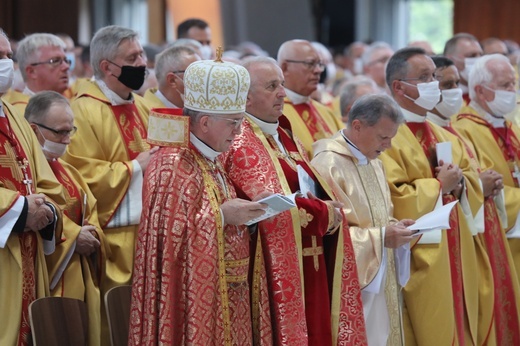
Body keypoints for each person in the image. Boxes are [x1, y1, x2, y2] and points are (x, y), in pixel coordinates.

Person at [223, 56, 367, 345]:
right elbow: (269, 204)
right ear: (246, 98)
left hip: (311, 256)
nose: (283, 94)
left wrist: (329, 207)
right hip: (273, 268)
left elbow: (311, 187)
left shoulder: (285, 136)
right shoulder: (239, 142)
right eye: (272, 86)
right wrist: (325, 214)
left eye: (282, 85)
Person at [129, 53, 268, 345]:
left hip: (232, 292)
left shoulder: (213, 158)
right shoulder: (172, 164)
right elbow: (167, 240)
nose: (239, 131)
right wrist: (221, 216)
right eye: (233, 122)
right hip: (191, 297)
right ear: (204, 122)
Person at [379, 47, 483, 346]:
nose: (434, 85)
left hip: (457, 248)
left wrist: (461, 185)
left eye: (434, 77)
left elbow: (469, 180)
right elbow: (393, 195)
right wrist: (439, 186)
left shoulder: (445, 135)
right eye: (424, 78)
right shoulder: (387, 135)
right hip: (417, 256)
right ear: (398, 86)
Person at [61, 25, 156, 344]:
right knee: (119, 323)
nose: (142, 62)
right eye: (133, 56)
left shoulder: (143, 105)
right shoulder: (82, 110)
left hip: (152, 234)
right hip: (116, 238)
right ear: (107, 67)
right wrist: (134, 168)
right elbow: (79, 174)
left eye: (142, 54)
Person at [428, 55, 520, 345]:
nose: (514, 90)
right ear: (481, 90)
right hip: (489, 232)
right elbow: (476, 184)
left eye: (514, 82)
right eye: (507, 84)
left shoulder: (509, 124)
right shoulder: (464, 127)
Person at [312, 93, 416, 346]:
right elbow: (329, 234)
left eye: (391, 138)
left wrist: (396, 228)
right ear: (357, 126)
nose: (388, 146)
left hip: (383, 275)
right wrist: (382, 237)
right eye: (383, 137)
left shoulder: (374, 161)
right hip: (357, 286)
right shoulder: (328, 163)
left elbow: (379, 215)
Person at [25, 91, 108, 346]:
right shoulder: (26, 171)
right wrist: (73, 237)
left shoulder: (68, 170)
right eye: (60, 132)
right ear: (33, 130)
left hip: (81, 275)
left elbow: (90, 210)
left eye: (70, 131)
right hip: (51, 277)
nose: (67, 140)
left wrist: (91, 234)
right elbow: (32, 216)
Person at [0, 29, 66, 345]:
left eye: (7, 56)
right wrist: (20, 208)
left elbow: (45, 181)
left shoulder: (13, 115)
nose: (5, 64)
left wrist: (47, 210)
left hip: (28, 250)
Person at [277, 39, 342, 157]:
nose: (318, 70)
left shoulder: (325, 111)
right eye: (310, 64)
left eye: (320, 64)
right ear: (285, 67)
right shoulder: (276, 114)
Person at [3, 33, 71, 113]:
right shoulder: (20, 112)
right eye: (55, 61)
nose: (66, 67)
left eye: (66, 60)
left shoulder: (70, 104)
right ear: (31, 71)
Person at [444, 33, 483, 105]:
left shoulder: (488, 95)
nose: (479, 60)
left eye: (481, 55)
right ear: (451, 60)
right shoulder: (444, 99)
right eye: (471, 55)